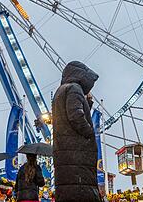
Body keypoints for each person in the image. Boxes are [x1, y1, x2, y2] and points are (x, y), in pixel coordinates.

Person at [52, 61, 101, 202]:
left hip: (65, 155)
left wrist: (88, 104)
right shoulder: (74, 88)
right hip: (77, 155)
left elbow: (69, 115)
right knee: (82, 193)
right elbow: (75, 116)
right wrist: (89, 133)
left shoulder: (61, 91)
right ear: (81, 76)